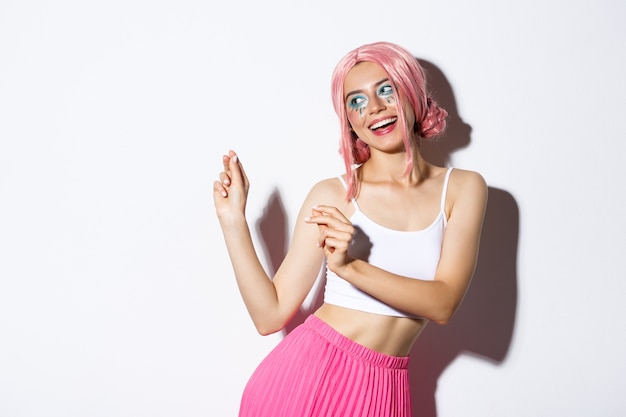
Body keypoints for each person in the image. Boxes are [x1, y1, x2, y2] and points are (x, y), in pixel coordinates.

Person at [212, 41, 488, 417]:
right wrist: (233, 222)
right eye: (356, 101)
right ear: (350, 121)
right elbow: (270, 315)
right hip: (304, 378)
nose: (373, 108)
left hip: (386, 389)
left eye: (385, 90)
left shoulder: (462, 189)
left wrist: (349, 267)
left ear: (412, 93)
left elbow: (443, 304)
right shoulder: (333, 194)